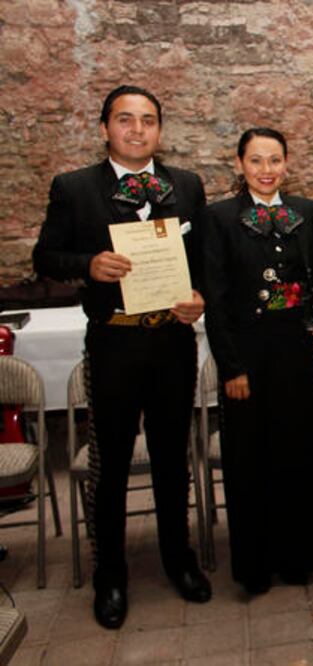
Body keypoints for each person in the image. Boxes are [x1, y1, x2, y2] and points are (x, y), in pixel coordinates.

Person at [32, 85, 211, 629]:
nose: (137, 129)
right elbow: (46, 257)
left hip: (172, 342)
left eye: (148, 120)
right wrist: (88, 265)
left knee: (171, 458)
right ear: (105, 127)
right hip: (113, 344)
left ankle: (178, 559)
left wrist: (199, 296)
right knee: (108, 465)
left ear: (160, 129)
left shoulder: (186, 185)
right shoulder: (75, 187)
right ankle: (109, 574)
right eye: (125, 119)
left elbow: (205, 260)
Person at [203, 128, 313, 595]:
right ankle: (255, 564)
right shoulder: (219, 218)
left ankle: (300, 556)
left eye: (274, 160)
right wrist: (231, 367)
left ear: (286, 164)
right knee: (250, 460)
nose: (266, 170)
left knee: (297, 453)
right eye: (256, 160)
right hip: (247, 356)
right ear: (239, 164)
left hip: (295, 352)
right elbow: (215, 298)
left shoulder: (307, 212)